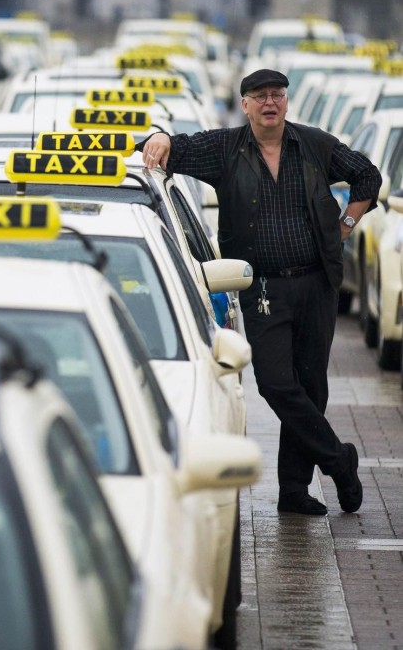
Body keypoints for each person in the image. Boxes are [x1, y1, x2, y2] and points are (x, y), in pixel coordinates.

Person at [140, 68, 378, 515]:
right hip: (263, 287)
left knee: (310, 384)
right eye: (260, 96)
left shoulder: (314, 144)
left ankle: (294, 490)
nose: (270, 103)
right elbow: (175, 148)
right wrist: (161, 137)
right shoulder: (226, 148)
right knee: (274, 382)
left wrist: (344, 226)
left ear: (285, 102)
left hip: (317, 282)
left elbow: (367, 176)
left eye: (278, 95)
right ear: (245, 104)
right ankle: (338, 460)